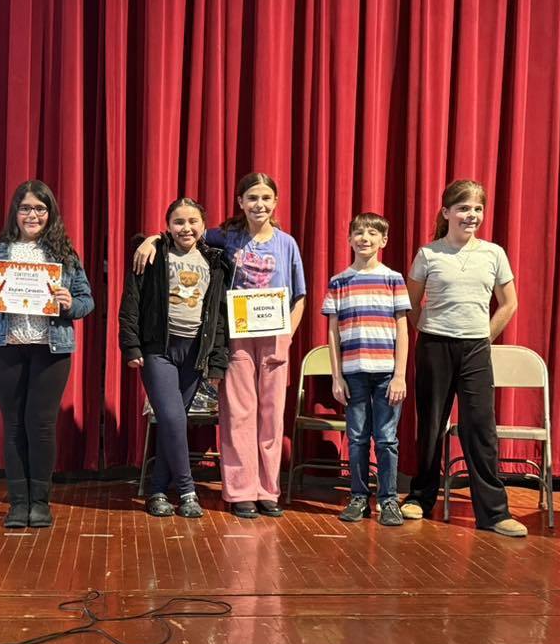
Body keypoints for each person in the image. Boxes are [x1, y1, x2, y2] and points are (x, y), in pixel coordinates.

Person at [134, 172, 306, 518]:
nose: (259, 204)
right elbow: (184, 234)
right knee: (238, 414)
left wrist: (287, 335)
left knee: (271, 417)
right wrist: (150, 240)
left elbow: (299, 295)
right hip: (236, 339)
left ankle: (267, 490)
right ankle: (241, 490)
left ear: (275, 202)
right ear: (240, 202)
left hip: (275, 340)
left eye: (265, 198)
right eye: (252, 198)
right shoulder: (225, 237)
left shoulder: (287, 243)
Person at [403, 179, 527, 537]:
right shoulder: (428, 254)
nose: (470, 215)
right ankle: (420, 498)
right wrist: (430, 329)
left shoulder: (494, 254)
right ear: (446, 213)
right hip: (434, 346)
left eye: (476, 209)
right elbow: (411, 304)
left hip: (475, 348)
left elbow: (510, 303)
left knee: (480, 428)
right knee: (430, 425)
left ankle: (493, 513)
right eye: (463, 208)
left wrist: (483, 337)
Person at [0, 180, 94, 529]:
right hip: (5, 346)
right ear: (16, 213)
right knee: (13, 426)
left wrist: (70, 304)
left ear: (50, 213)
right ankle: (17, 503)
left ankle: (40, 502)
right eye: (25, 208)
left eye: (39, 208)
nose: (32, 214)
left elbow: (87, 301)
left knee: (40, 426)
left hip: (50, 349)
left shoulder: (64, 254)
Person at [118, 197, 229, 518]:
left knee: (173, 423)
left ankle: (156, 492)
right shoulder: (152, 255)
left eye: (193, 221)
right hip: (158, 351)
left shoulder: (214, 262)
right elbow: (131, 302)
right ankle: (186, 489)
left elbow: (218, 318)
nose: (186, 228)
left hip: (195, 353)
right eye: (178, 222)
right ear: (167, 225)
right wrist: (131, 347)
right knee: (172, 418)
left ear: (204, 226)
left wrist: (217, 362)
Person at [322, 213, 410, 526]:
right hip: (354, 373)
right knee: (357, 438)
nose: (365, 238)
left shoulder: (393, 279)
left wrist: (400, 374)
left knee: (386, 439)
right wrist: (337, 377)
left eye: (373, 233)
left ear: (383, 240)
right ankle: (359, 497)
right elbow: (333, 333)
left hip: (387, 373)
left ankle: (388, 500)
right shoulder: (339, 281)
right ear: (349, 240)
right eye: (358, 232)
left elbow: (403, 329)